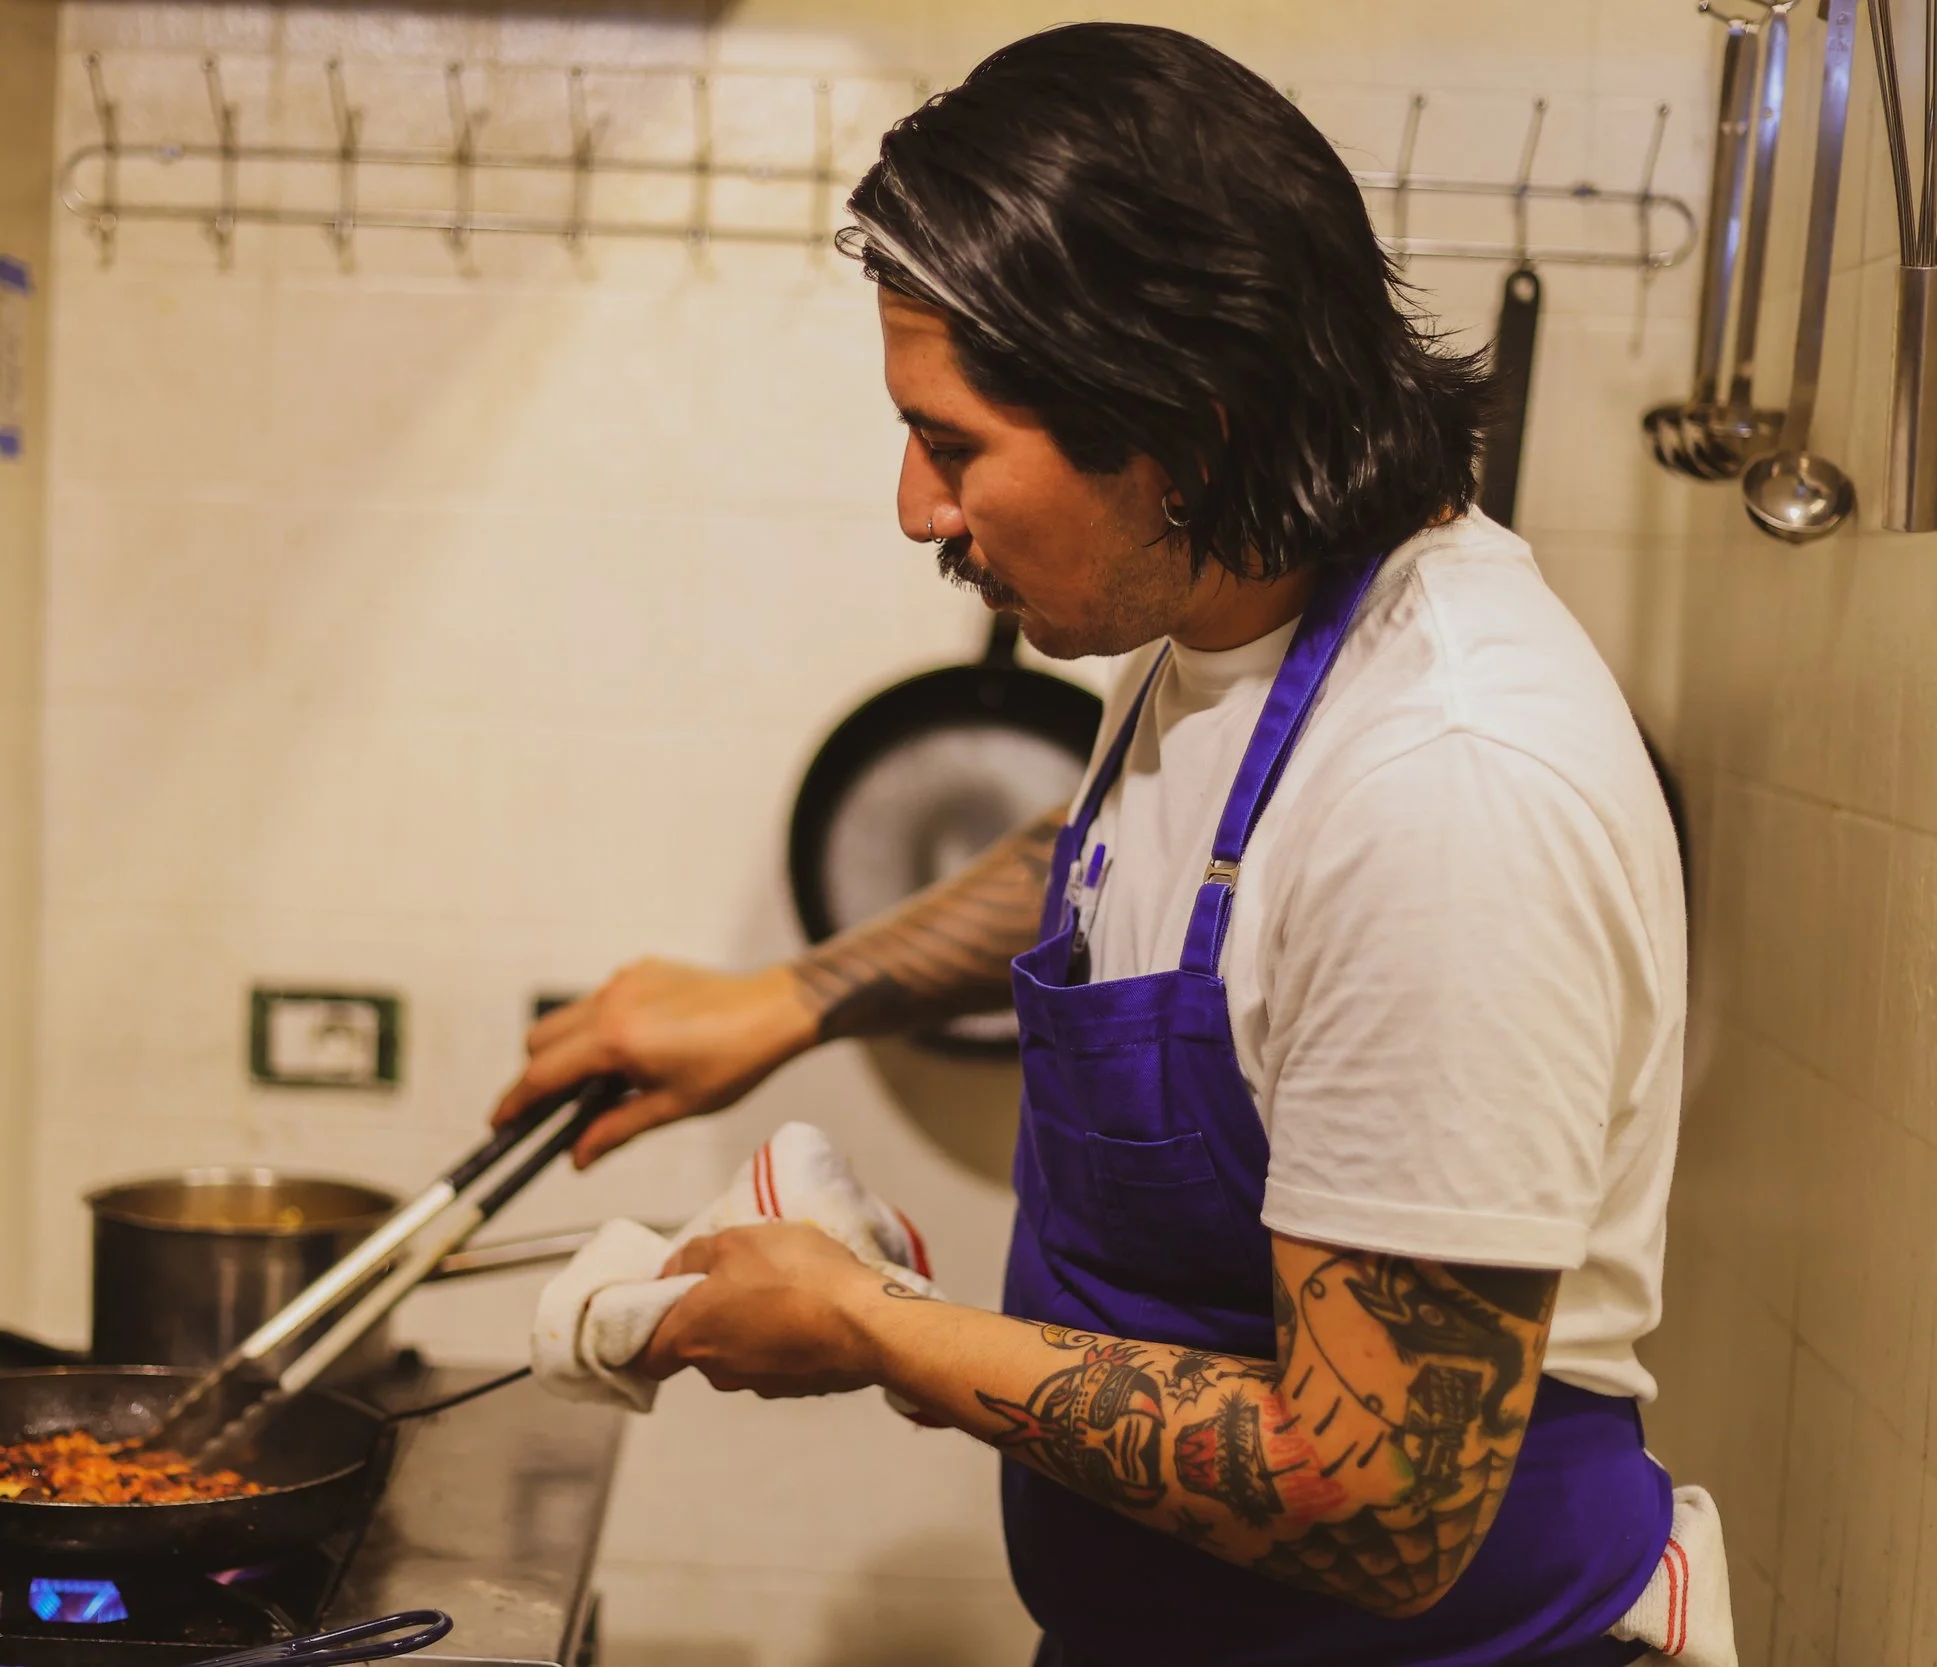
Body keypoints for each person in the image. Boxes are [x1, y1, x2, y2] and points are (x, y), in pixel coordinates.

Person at [493, 23, 1690, 1667]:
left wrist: (876, 1329)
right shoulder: (1232, 623)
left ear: (1178, 431)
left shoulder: (1446, 791)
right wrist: (789, 998)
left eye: (957, 442)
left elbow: (1380, 1494)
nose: (917, 507)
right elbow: (1123, 854)